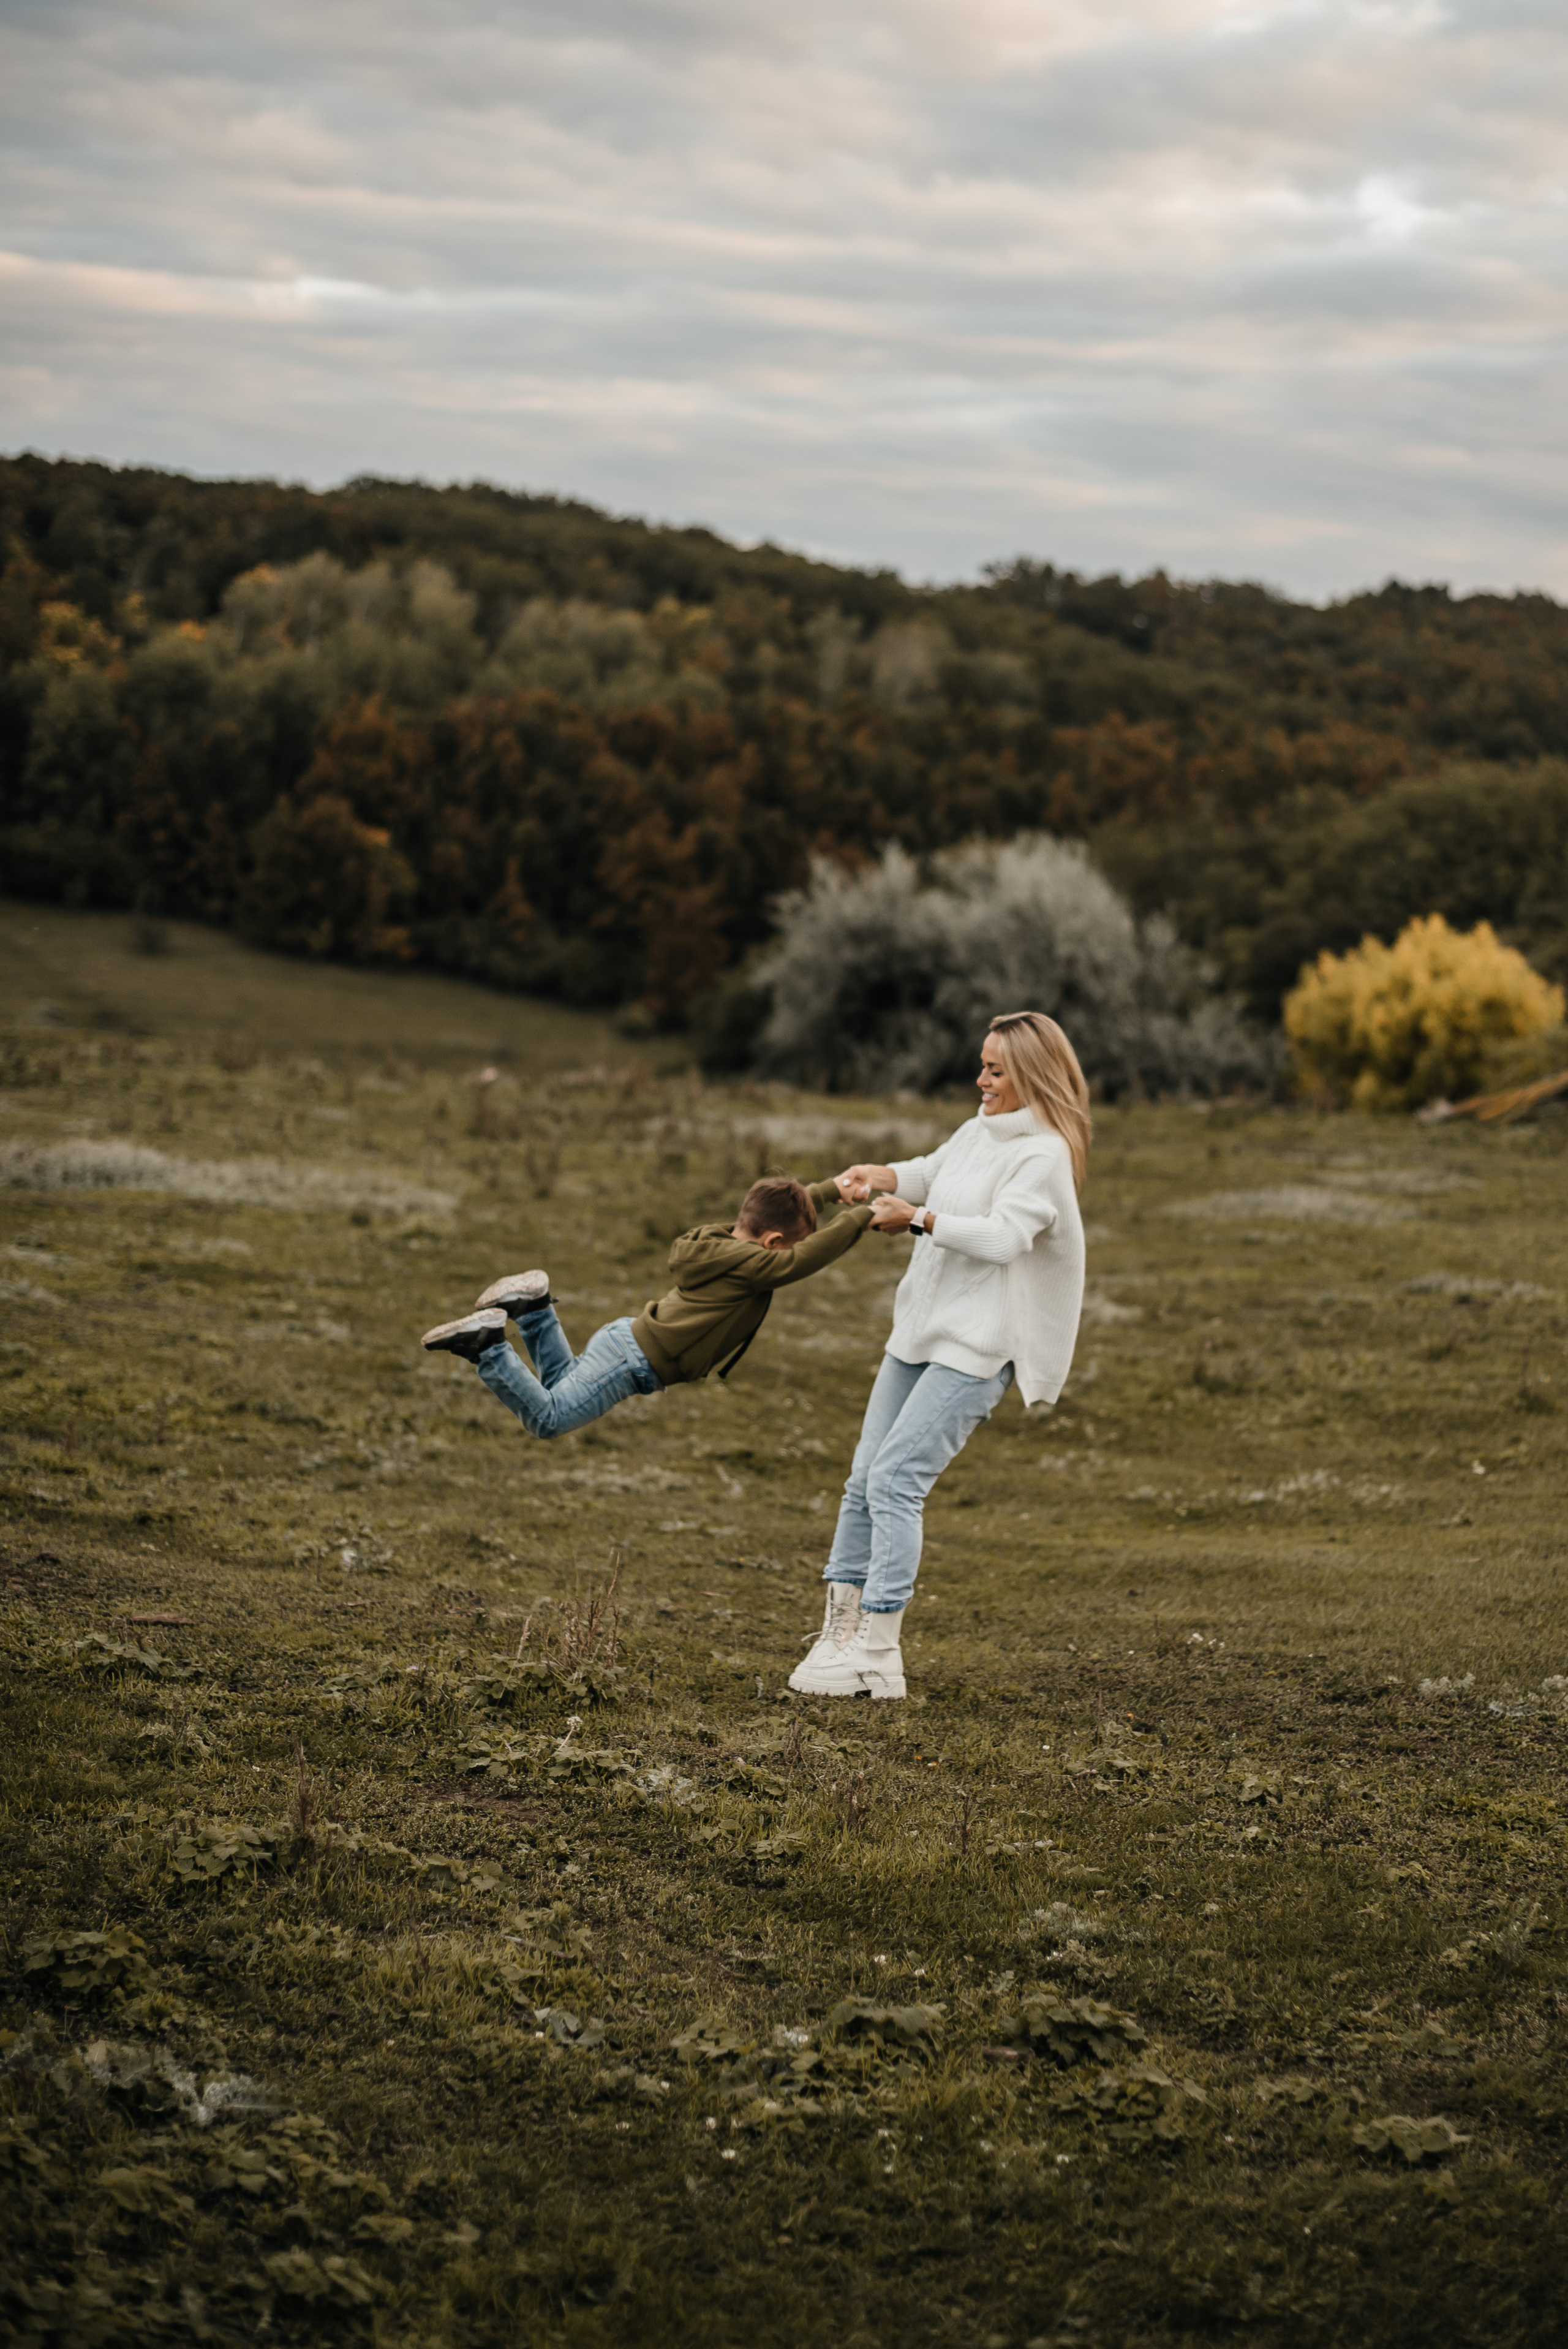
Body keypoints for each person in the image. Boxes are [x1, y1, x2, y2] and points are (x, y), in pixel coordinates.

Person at [788, 1011, 1090, 1701]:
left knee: (896, 1480)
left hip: (978, 1348)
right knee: (863, 1480)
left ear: (1031, 1075)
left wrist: (918, 1219)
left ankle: (878, 1654)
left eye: (995, 1070)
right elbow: (934, 1171)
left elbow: (1004, 1238)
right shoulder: (981, 1129)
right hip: (920, 1332)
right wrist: (883, 1174)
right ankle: (839, 1633)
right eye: (982, 1065)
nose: (980, 1079)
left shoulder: (1043, 1156)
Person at [420, 1174, 872, 1437]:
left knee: (557, 1387)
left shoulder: (719, 1243)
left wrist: (825, 1191)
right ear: (772, 1243)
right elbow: (799, 1261)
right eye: (787, 1246)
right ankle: (488, 1346)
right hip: (631, 1359)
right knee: (549, 1420)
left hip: (626, 1343)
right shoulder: (754, 1266)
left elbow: (779, 1221)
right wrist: (864, 1216)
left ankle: (535, 1308)